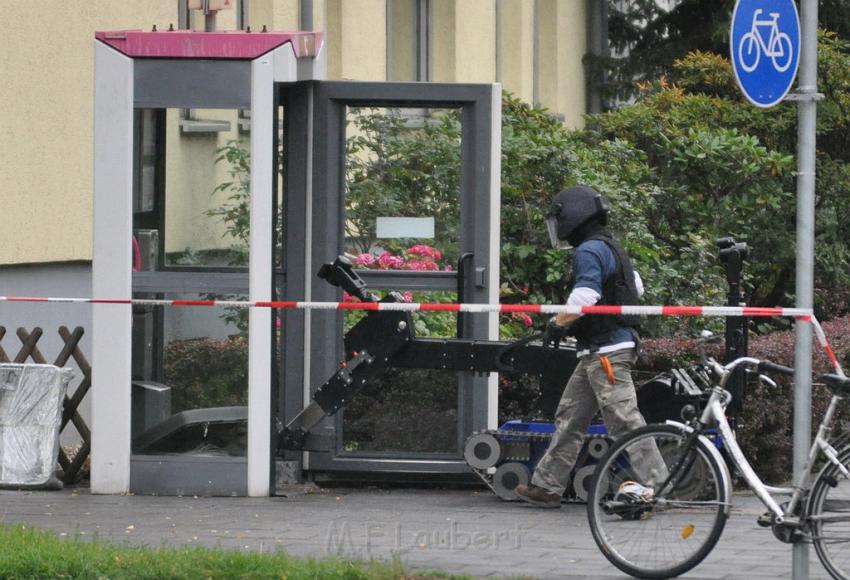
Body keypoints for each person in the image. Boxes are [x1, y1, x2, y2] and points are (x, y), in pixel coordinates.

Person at [515, 185, 664, 508]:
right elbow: (635, 286)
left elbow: (585, 298)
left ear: (573, 217)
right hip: (597, 351)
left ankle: (660, 486)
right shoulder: (611, 247)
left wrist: (557, 324)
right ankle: (547, 485)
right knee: (571, 417)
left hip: (607, 352)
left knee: (624, 420)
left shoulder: (588, 251)